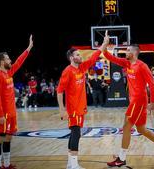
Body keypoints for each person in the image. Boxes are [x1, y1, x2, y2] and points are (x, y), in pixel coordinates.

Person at [103, 33, 154, 167]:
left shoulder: (142, 66)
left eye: (128, 50)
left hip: (139, 101)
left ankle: (121, 158)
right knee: (142, 129)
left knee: (126, 127)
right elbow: (109, 57)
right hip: (134, 101)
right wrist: (105, 44)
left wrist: (153, 102)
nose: (126, 52)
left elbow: (153, 85)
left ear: (135, 52)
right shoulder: (126, 63)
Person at [56, 34, 109, 169]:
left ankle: (70, 163)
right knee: (76, 133)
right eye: (78, 55)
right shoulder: (68, 71)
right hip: (73, 108)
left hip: (80, 108)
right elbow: (59, 91)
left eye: (80, 54)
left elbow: (94, 56)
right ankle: (74, 165)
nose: (80, 56)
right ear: (71, 58)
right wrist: (62, 109)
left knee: (75, 133)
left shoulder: (82, 67)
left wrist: (104, 44)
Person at [0, 35, 33, 169]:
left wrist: (29, 48)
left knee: (9, 138)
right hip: (4, 115)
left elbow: (19, 62)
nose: (10, 60)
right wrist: (0, 115)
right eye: (8, 58)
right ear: (2, 62)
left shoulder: (9, 73)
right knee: (0, 138)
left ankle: (7, 164)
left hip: (12, 113)